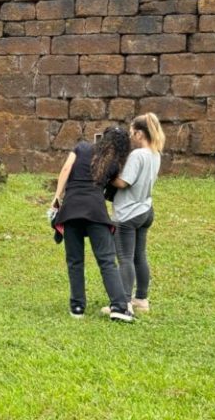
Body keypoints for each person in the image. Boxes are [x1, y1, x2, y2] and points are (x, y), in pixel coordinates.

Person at [51, 126, 133, 322]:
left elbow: (65, 169)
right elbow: (116, 185)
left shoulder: (81, 148)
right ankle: (119, 307)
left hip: (70, 210)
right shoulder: (113, 163)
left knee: (75, 261)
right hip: (95, 212)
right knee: (106, 261)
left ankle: (77, 306)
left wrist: (56, 197)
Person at [110, 113, 165, 314]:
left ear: (140, 133)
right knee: (139, 256)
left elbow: (123, 182)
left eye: (133, 132)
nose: (131, 136)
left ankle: (123, 304)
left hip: (128, 214)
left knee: (124, 258)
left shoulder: (138, 155)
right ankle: (141, 299)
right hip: (145, 209)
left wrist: (106, 174)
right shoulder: (155, 153)